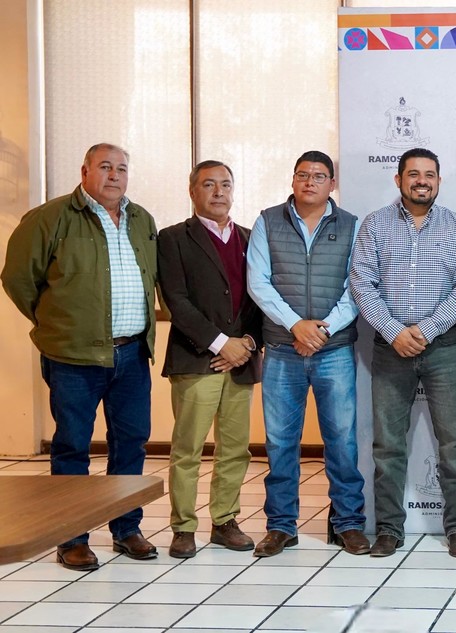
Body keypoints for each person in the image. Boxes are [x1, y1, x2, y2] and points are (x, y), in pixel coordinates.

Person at [2, 143, 159, 571]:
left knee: (130, 443)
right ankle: (71, 537)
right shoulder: (50, 218)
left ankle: (127, 529)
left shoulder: (141, 219)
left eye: (122, 168)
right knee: (72, 446)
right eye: (105, 167)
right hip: (73, 357)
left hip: (131, 355)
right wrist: (56, 324)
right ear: (85, 170)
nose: (114, 175)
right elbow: (18, 279)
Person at [350, 148, 456, 558]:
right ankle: (388, 529)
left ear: (439, 180)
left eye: (429, 174)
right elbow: (361, 284)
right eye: (413, 174)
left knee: (453, 442)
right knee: (388, 445)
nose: (421, 181)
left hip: (442, 348)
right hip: (390, 350)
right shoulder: (375, 225)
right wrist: (393, 332)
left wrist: (424, 330)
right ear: (399, 179)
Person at [246, 151, 369, 557]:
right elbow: (259, 284)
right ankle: (281, 526)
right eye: (303, 175)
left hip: (333, 350)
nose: (310, 182)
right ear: (293, 179)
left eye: (319, 176)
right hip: (283, 349)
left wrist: (322, 329)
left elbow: (357, 286)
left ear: (332, 183)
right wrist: (296, 326)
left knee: (342, 441)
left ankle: (348, 523)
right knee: (281, 442)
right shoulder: (268, 221)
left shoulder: (351, 225)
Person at [157, 160, 262, 558]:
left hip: (242, 360)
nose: (218, 191)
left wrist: (247, 343)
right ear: (192, 191)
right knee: (188, 448)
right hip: (197, 359)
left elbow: (260, 298)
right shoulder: (172, 239)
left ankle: (225, 521)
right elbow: (177, 302)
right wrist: (221, 343)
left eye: (225, 184)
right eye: (208, 184)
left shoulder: (253, 239)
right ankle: (183, 527)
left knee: (235, 448)